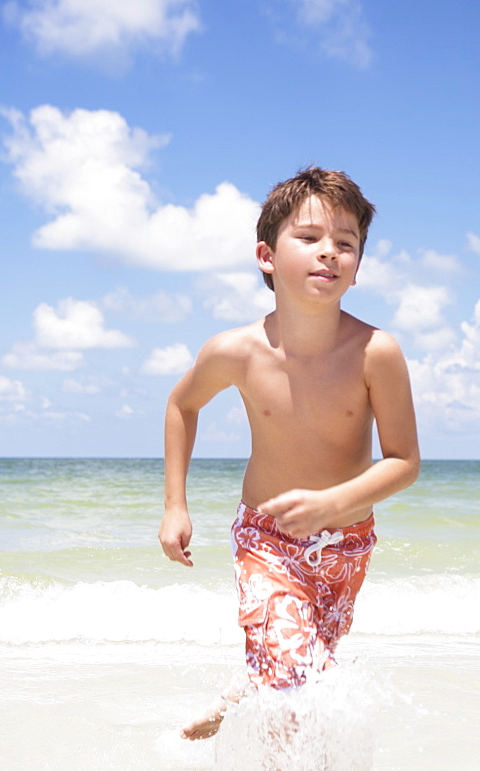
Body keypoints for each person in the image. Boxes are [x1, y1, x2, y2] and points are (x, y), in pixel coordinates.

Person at [158, 167, 420, 740]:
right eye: (308, 238)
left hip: (346, 545)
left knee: (311, 669)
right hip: (267, 536)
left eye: (345, 244)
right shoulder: (237, 351)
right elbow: (182, 405)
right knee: (295, 695)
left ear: (356, 269)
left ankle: (241, 690)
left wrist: (333, 505)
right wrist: (175, 505)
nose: (329, 252)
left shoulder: (377, 352)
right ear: (267, 256)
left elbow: (404, 460)